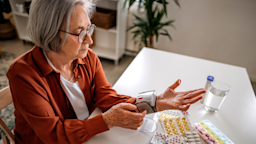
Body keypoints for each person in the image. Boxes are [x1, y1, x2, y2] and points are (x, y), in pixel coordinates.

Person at [7, 0, 205, 143]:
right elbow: (53, 135)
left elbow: (105, 96)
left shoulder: (87, 58)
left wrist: (155, 102)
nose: (89, 40)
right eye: (79, 33)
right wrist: (106, 120)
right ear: (49, 32)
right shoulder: (22, 74)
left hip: (87, 134)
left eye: (89, 29)